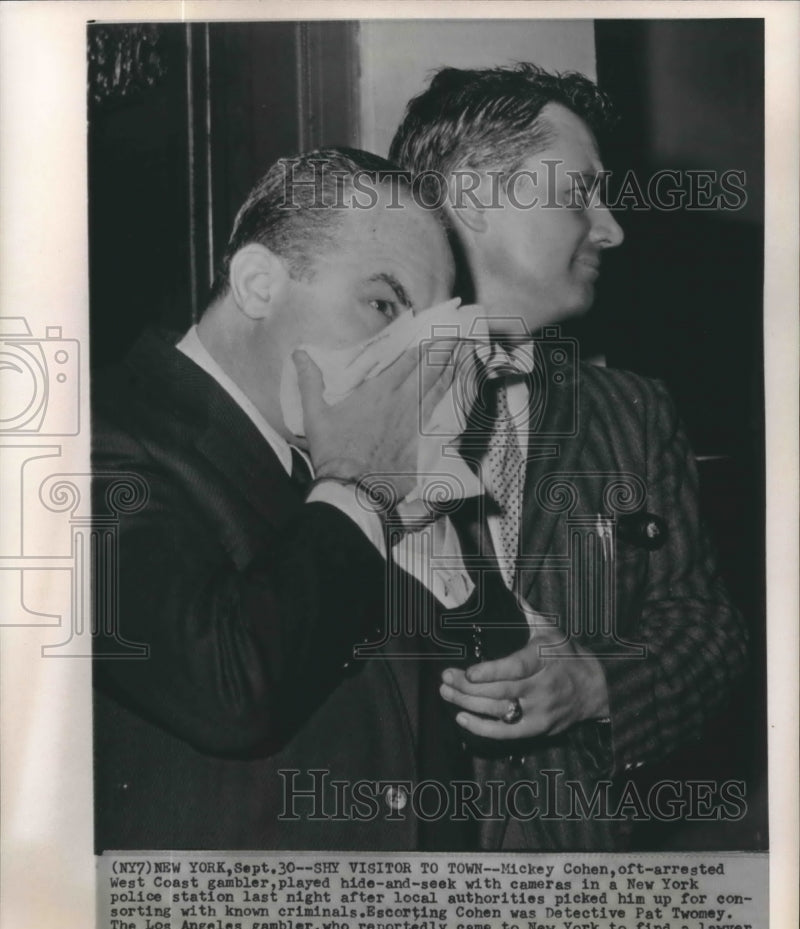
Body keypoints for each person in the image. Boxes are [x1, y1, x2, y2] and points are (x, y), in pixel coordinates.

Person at [92, 147, 519, 852]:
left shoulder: (314, 460)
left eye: (429, 329)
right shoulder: (89, 431)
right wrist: (355, 485)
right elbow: (227, 689)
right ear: (259, 285)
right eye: (384, 305)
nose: (413, 359)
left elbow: (446, 697)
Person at [389, 64, 749, 850]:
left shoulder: (632, 411)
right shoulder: (340, 401)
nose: (612, 227)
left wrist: (593, 684)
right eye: (578, 193)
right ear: (478, 196)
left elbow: (709, 629)